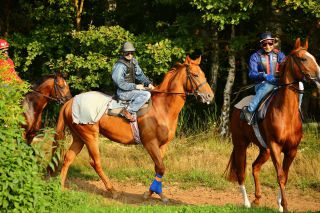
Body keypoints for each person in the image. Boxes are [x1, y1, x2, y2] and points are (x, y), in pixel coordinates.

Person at [242, 32, 285, 125]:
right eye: (264, 44)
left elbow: (285, 69)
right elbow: (252, 74)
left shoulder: (280, 55)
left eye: (270, 43)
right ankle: (249, 110)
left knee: (299, 86)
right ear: (261, 44)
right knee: (268, 85)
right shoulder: (255, 56)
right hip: (262, 84)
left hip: (279, 83)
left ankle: (298, 109)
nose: (268, 46)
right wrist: (264, 76)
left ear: (273, 43)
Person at [112, 41, 154, 122]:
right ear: (122, 53)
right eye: (127, 52)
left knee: (152, 92)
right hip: (122, 92)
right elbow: (119, 83)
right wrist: (135, 86)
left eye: (131, 52)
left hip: (131, 90)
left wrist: (148, 83)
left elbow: (140, 75)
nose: (130, 54)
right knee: (146, 95)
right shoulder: (120, 66)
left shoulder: (133, 61)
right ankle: (128, 111)